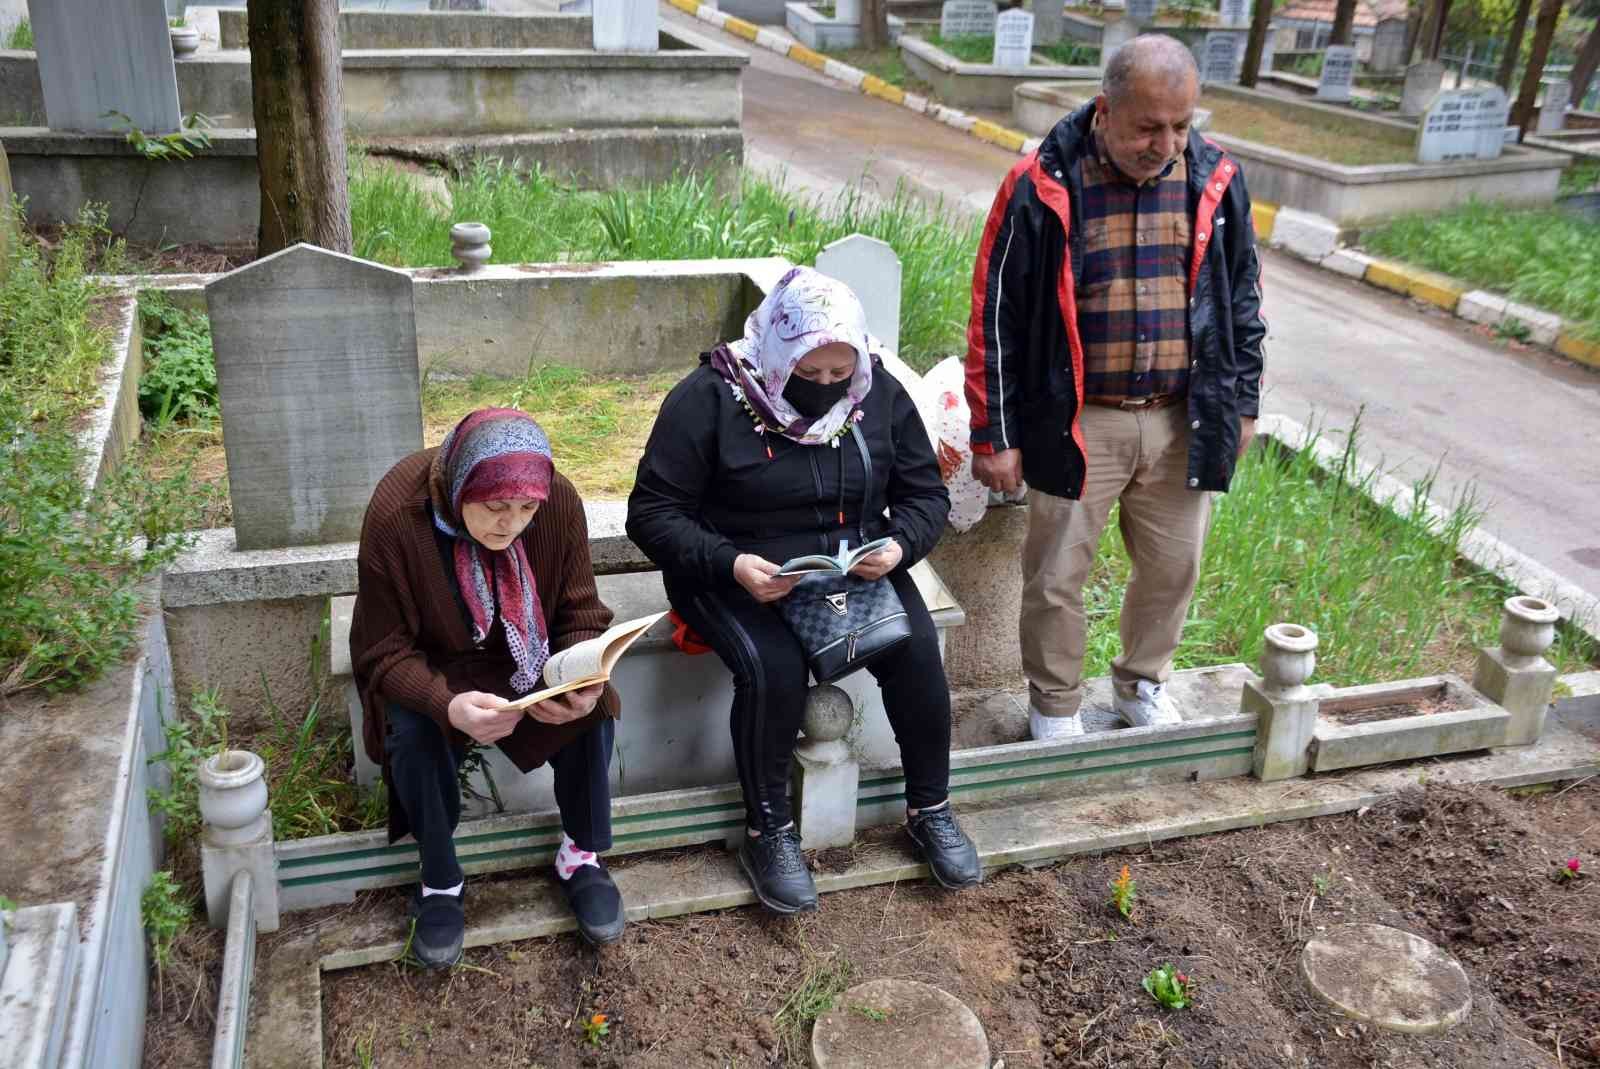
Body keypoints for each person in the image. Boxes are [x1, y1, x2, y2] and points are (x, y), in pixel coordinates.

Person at [626, 267, 981, 914]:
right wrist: (731, 564)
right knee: (773, 668)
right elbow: (652, 513)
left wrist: (898, 544)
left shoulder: (879, 395)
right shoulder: (709, 399)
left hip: (848, 561)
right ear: (776, 354)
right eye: (807, 375)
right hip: (735, 569)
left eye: (837, 374)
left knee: (917, 646)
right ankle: (770, 830)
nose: (824, 390)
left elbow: (926, 495)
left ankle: (930, 805)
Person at [964, 34, 1267, 740]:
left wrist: (1243, 400)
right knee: (1056, 577)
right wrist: (995, 432)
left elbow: (1243, 297)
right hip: (1077, 420)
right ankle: (1055, 706)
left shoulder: (1215, 179)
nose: (1166, 143)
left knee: (1172, 569)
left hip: (1179, 415)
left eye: (1182, 126)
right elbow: (995, 309)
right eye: (1148, 126)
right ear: (1106, 110)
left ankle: (1141, 684)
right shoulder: (1042, 181)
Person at [350, 408, 625, 968]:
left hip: (519, 649)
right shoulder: (397, 513)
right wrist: (445, 705)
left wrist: (580, 677)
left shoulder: (557, 501)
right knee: (413, 730)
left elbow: (578, 608)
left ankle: (581, 856)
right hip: (431, 660)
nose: (512, 524)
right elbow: (382, 648)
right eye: (495, 507)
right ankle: (440, 881)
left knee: (592, 711)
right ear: (458, 487)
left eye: (526, 509)